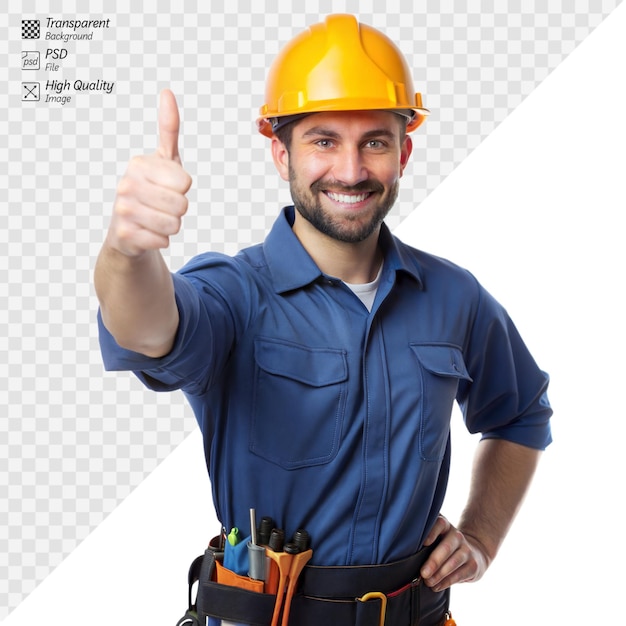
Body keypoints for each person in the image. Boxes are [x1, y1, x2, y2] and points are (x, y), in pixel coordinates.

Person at [95, 14, 552, 626]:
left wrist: (481, 539)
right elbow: (149, 329)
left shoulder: (454, 297)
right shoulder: (237, 293)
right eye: (324, 140)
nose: (352, 170)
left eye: (375, 141)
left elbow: (521, 413)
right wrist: (128, 252)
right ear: (280, 151)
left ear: (404, 152)